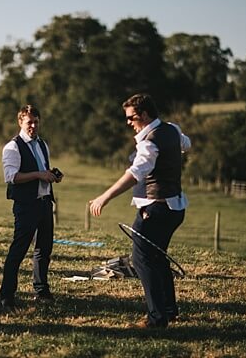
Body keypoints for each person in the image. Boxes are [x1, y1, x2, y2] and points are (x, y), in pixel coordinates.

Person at [89, 93, 191, 329]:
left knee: (142, 259)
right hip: (176, 207)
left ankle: (157, 318)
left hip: (155, 208)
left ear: (144, 115)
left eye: (131, 117)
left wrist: (105, 197)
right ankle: (169, 309)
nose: (128, 122)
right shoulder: (172, 130)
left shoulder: (149, 142)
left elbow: (136, 173)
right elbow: (187, 145)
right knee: (157, 257)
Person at [0, 105, 61, 309]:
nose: (33, 126)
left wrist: (51, 174)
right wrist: (38, 174)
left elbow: (42, 170)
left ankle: (42, 291)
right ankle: (7, 295)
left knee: (44, 250)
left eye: (36, 122)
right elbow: (11, 177)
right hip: (26, 205)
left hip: (44, 203)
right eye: (29, 122)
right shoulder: (12, 147)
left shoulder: (43, 144)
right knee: (18, 250)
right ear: (20, 122)